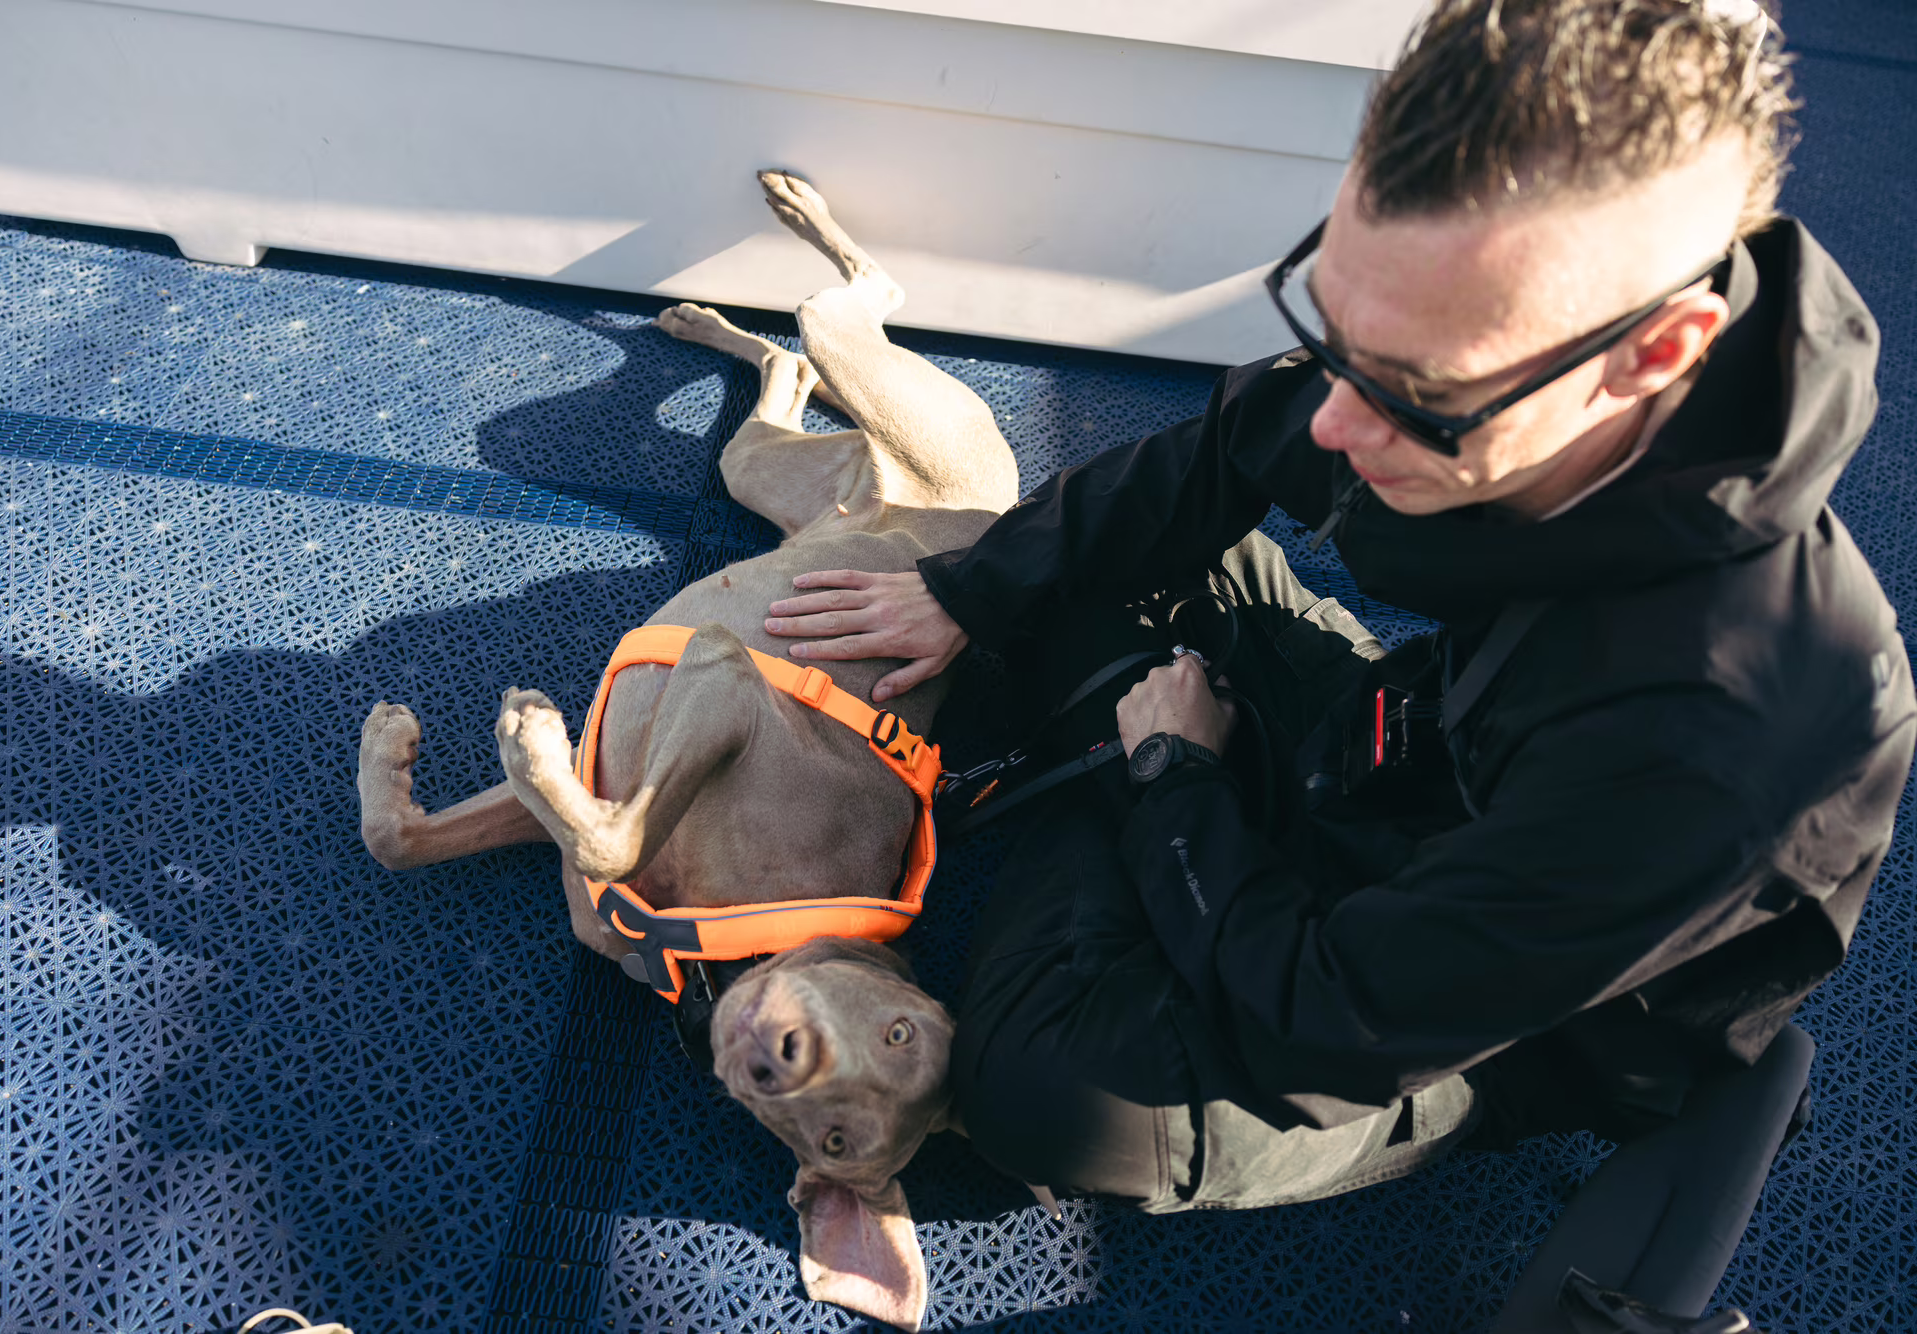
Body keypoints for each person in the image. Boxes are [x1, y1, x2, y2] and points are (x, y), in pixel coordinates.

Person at [761, 0, 1916, 1210]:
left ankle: (1121, 764)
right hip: (1401, 741)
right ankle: (1133, 766)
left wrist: (1168, 784)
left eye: (1410, 389)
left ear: (1651, 356)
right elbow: (1223, 450)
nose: (1331, 421)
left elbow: (1331, 1019)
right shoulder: (1458, 342)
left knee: (1044, 1098)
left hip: (1477, 1016)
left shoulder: (1724, 739)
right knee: (1057, 568)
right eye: (1332, 319)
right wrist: (969, 589)